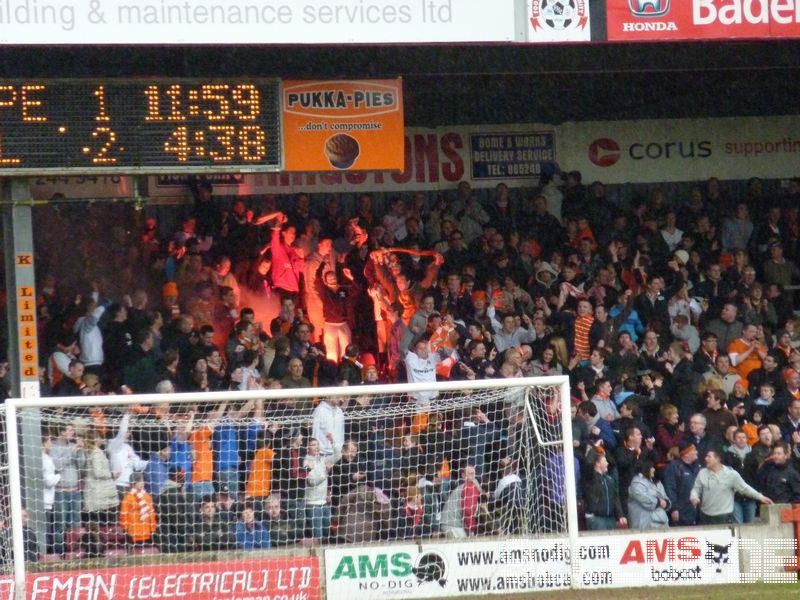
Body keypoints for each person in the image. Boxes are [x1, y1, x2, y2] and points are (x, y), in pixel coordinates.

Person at [690, 449, 773, 525]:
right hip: (705, 515)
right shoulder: (702, 473)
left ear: (717, 459)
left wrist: (760, 497)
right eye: (706, 456)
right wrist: (694, 497)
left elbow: (744, 488)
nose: (706, 459)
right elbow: (696, 489)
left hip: (724, 516)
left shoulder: (731, 474)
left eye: (709, 457)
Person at [304, 433, 341, 542]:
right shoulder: (306, 462)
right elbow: (311, 481)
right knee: (318, 536)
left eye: (317, 444)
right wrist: (325, 472)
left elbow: (338, 456)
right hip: (312, 505)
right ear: (307, 448)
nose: (316, 447)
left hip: (324, 503)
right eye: (313, 445)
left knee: (327, 534)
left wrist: (332, 440)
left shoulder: (322, 459)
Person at [581, 452, 626, 530]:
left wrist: (620, 515)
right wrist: (594, 448)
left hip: (610, 519)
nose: (607, 463)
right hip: (596, 519)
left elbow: (615, 498)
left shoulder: (609, 480)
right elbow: (588, 463)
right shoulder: (590, 478)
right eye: (605, 461)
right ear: (597, 463)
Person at [662, 441, 700, 526]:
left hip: (697, 512)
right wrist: (674, 508)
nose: (696, 452)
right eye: (694, 450)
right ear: (686, 454)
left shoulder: (697, 467)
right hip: (682, 511)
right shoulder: (674, 467)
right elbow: (670, 488)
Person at [627, 460, 671, 530]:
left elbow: (665, 498)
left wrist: (666, 503)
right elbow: (645, 500)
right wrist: (659, 502)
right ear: (646, 468)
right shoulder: (637, 483)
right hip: (644, 524)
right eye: (651, 467)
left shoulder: (657, 483)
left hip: (662, 522)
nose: (654, 469)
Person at [120, 472, 157, 546]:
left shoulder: (147, 496)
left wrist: (153, 528)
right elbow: (124, 515)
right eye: (139, 481)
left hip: (147, 530)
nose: (142, 483)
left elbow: (152, 513)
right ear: (134, 483)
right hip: (133, 531)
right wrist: (126, 529)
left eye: (143, 480)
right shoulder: (128, 498)